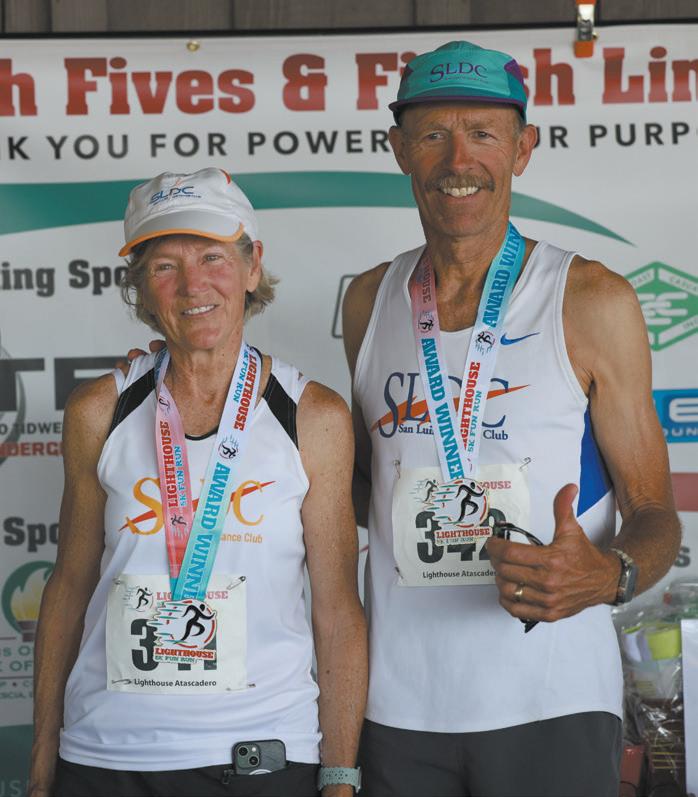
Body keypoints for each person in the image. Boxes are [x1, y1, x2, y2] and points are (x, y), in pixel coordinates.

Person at [342, 40, 681, 797]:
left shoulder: (591, 299)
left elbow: (655, 512)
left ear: (523, 149)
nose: (457, 160)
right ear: (399, 150)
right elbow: (362, 482)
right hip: (396, 702)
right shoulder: (368, 300)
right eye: (433, 134)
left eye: (483, 134)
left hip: (552, 696)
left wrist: (610, 574)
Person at [29, 168, 367, 797]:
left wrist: (341, 776)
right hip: (106, 757)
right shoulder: (98, 411)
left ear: (252, 266)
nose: (193, 285)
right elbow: (70, 585)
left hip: (261, 757)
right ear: (141, 287)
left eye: (213, 257)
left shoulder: (313, 417)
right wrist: (43, 761)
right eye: (165, 266)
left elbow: (338, 610)